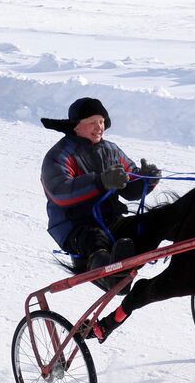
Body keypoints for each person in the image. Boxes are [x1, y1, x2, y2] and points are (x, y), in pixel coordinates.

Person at [40, 97, 160, 290]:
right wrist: (100, 182)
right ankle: (111, 277)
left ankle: (126, 257)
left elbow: (130, 188)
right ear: (76, 126)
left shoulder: (111, 150)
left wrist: (147, 179)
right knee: (95, 240)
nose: (99, 127)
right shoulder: (59, 155)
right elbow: (60, 192)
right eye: (92, 123)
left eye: (102, 122)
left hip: (110, 220)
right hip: (75, 226)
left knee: (149, 224)